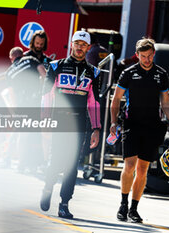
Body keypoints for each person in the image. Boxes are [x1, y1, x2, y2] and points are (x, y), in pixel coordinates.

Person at [110, 38, 169, 223]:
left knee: (143, 170)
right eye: (143, 56)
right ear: (137, 55)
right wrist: (113, 122)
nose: (146, 59)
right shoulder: (128, 73)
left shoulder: (161, 74)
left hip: (152, 125)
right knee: (129, 166)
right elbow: (116, 100)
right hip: (131, 124)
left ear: (154, 54)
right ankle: (123, 203)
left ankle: (134, 209)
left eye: (150, 56)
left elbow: (166, 103)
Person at [40, 30, 101, 219]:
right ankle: (48, 187)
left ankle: (64, 204)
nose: (80, 47)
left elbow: (94, 102)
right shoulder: (55, 66)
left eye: (84, 45)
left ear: (88, 48)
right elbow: (46, 96)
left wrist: (97, 129)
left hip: (79, 123)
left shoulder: (93, 72)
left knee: (72, 166)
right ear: (72, 44)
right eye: (77, 43)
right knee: (56, 160)